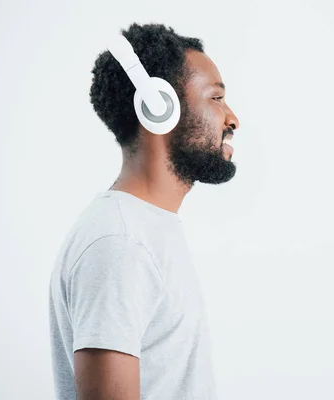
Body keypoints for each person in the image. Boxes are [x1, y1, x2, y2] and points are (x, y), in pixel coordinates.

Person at [48, 22, 240, 400]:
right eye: (216, 98)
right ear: (158, 106)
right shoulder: (120, 244)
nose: (232, 118)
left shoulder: (142, 229)